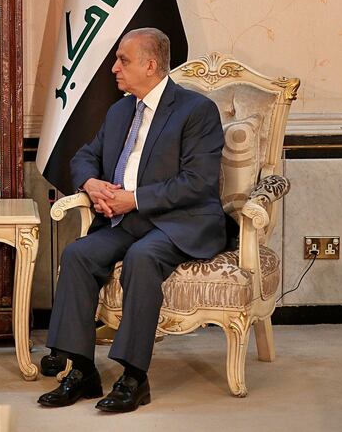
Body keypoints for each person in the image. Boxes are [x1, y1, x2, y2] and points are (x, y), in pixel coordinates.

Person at [37, 28, 226, 412]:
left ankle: (134, 377)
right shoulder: (122, 109)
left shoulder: (196, 110)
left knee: (142, 258)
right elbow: (84, 156)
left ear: (150, 65)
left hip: (179, 222)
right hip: (127, 222)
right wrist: (92, 184)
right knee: (77, 255)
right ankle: (83, 370)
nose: (114, 68)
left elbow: (198, 183)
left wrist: (132, 199)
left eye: (123, 59)